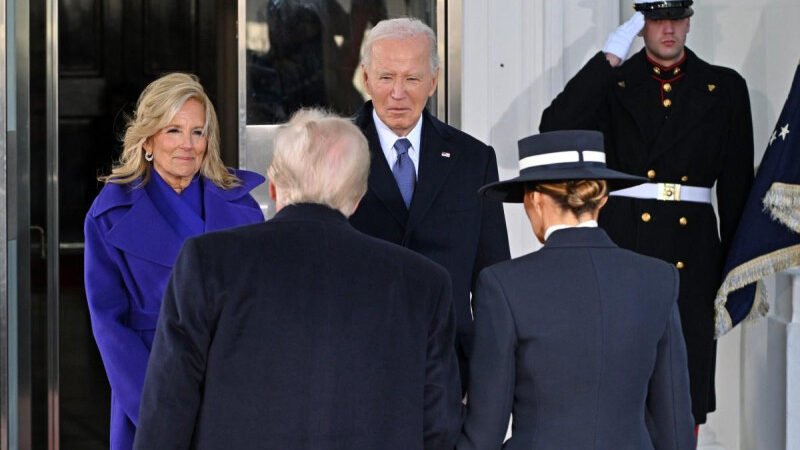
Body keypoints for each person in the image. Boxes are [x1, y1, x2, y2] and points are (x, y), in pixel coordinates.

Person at [133, 109, 463, 450]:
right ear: (357, 198)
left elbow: (168, 408)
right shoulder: (425, 283)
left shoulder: (208, 262)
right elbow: (439, 427)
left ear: (273, 187)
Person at [539, 0, 754, 425]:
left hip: (692, 253)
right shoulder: (613, 83)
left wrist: (737, 269)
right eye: (656, 20)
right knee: (620, 383)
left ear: (690, 21)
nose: (668, 29)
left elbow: (735, 187)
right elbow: (555, 128)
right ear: (640, 26)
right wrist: (608, 61)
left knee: (684, 390)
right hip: (624, 244)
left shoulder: (724, 87)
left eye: (676, 18)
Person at [458, 130, 696, 449]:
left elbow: (485, 430)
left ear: (535, 199)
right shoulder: (659, 279)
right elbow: (676, 425)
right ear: (603, 198)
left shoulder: (503, 285)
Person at [83, 73, 265, 450]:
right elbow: (109, 325)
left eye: (198, 132)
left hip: (234, 387)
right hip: (150, 382)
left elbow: (262, 308)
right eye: (173, 131)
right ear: (148, 139)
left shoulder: (241, 206)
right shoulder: (110, 214)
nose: (187, 145)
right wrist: (156, 408)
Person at [349, 17, 510, 393]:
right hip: (355, 362)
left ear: (434, 81)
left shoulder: (474, 159)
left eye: (413, 79)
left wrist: (491, 378)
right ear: (366, 78)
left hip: (448, 368)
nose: (398, 93)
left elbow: (492, 278)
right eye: (387, 77)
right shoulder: (334, 151)